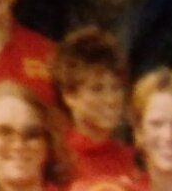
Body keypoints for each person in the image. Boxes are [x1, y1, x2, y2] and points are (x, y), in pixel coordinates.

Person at [51, 27, 134, 180]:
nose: (111, 99)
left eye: (116, 87)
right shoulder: (55, 160)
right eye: (97, 89)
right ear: (69, 95)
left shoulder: (133, 160)